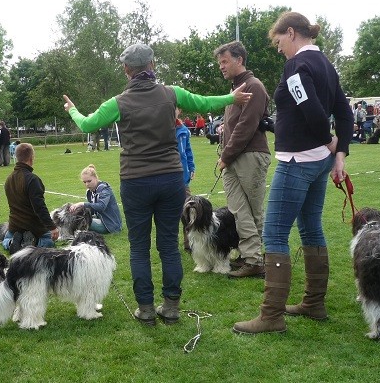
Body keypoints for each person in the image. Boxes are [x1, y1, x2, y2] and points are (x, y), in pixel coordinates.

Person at [63, 43, 251, 326]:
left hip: (135, 182)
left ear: (127, 70)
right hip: (171, 180)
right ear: (152, 66)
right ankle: (172, 307)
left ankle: (146, 309)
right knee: (168, 246)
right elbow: (204, 102)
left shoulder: (117, 103)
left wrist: (72, 109)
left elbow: (87, 124)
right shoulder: (171, 94)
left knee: (139, 248)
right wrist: (231, 97)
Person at [233, 12, 353, 335]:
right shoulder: (327, 65)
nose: (278, 49)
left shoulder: (297, 67)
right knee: (311, 227)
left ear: (291, 33)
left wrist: (331, 142)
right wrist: (338, 155)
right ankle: (314, 303)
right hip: (319, 163)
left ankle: (271, 315)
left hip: (298, 161)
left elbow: (312, 110)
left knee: (273, 234)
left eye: (278, 42)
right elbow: (344, 112)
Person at [214, 41, 271, 278]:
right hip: (234, 157)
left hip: (250, 155)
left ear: (239, 59)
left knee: (253, 211)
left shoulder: (253, 86)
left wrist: (225, 156)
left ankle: (256, 260)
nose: (221, 67)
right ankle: (250, 257)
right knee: (238, 210)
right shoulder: (235, 89)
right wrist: (222, 130)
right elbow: (237, 125)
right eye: (220, 63)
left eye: (225, 61)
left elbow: (247, 127)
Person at [3, 143, 59, 252]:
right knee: (49, 241)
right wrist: (52, 227)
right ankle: (31, 244)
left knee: (6, 239)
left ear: (17, 157)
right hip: (33, 226)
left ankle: (11, 243)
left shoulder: (8, 179)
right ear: (31, 157)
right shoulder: (32, 179)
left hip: (14, 225)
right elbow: (39, 207)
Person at [71, 164, 122, 234]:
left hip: (110, 224)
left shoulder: (104, 189)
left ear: (96, 178)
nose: (87, 184)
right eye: (84, 182)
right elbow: (92, 210)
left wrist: (82, 204)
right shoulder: (89, 192)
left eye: (89, 181)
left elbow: (101, 207)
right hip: (99, 219)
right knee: (75, 216)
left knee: (79, 220)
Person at [175, 107, 196, 253]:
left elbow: (187, 151)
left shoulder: (183, 130)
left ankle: (189, 242)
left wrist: (191, 167)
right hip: (167, 176)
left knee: (187, 211)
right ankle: (169, 244)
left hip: (183, 178)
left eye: (175, 108)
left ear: (179, 111)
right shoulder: (161, 128)